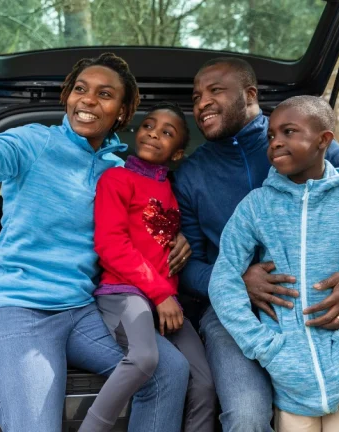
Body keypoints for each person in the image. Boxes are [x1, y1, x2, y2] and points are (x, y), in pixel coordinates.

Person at [0, 22, 191, 432]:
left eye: (105, 94)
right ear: (68, 97)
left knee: (170, 372)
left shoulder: (118, 170)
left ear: (123, 112)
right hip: (14, 309)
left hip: (81, 310)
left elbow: (142, 224)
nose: (88, 100)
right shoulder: (33, 142)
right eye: (80, 89)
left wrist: (173, 234)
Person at [173, 57, 339, 432]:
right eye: (196, 96)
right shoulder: (191, 174)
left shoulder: (305, 136)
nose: (202, 102)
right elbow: (187, 266)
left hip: (324, 304)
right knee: (246, 416)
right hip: (232, 312)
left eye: (215, 90)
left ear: (250, 94)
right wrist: (240, 282)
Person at [209, 96, 339, 432]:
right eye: (271, 135)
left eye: (289, 132)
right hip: (290, 382)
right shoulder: (256, 207)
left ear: (324, 140)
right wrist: (267, 348)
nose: (276, 142)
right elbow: (224, 280)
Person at [84, 102, 216, 432]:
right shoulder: (117, 179)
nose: (154, 133)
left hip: (164, 301)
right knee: (144, 358)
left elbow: (159, 235)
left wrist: (181, 237)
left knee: (205, 382)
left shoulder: (170, 190)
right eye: (149, 126)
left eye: (167, 133)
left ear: (177, 154)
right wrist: (159, 295)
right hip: (124, 293)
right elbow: (111, 245)